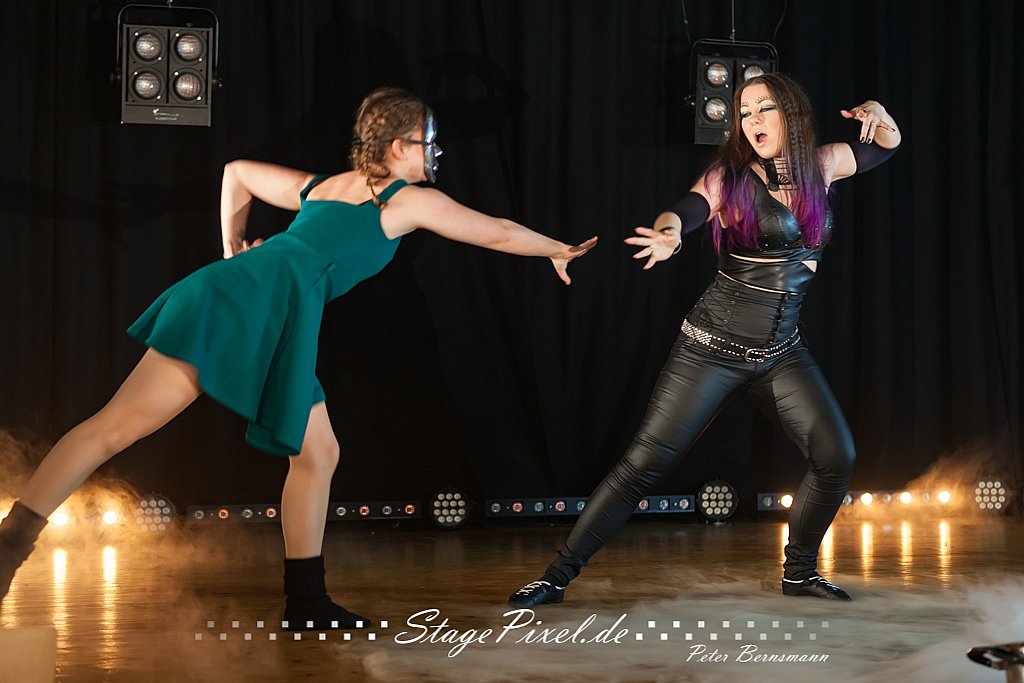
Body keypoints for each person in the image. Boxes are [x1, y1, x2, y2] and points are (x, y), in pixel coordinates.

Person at [0, 87, 596, 629]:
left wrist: (230, 250)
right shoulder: (403, 201)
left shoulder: (321, 186)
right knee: (119, 429)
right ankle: (10, 547)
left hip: (252, 303)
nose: (434, 154)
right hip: (253, 304)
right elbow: (495, 231)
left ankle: (306, 601)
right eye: (428, 142)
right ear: (398, 146)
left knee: (316, 453)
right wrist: (556, 249)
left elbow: (237, 175)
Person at [509, 72, 900, 606]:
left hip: (780, 353)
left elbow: (888, 144)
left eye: (764, 108)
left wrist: (877, 109)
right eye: (744, 112)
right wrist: (669, 233)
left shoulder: (823, 165)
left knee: (837, 455)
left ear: (791, 113)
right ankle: (555, 577)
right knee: (642, 466)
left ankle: (799, 573)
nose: (753, 120)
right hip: (710, 349)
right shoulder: (730, 177)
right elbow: (686, 210)